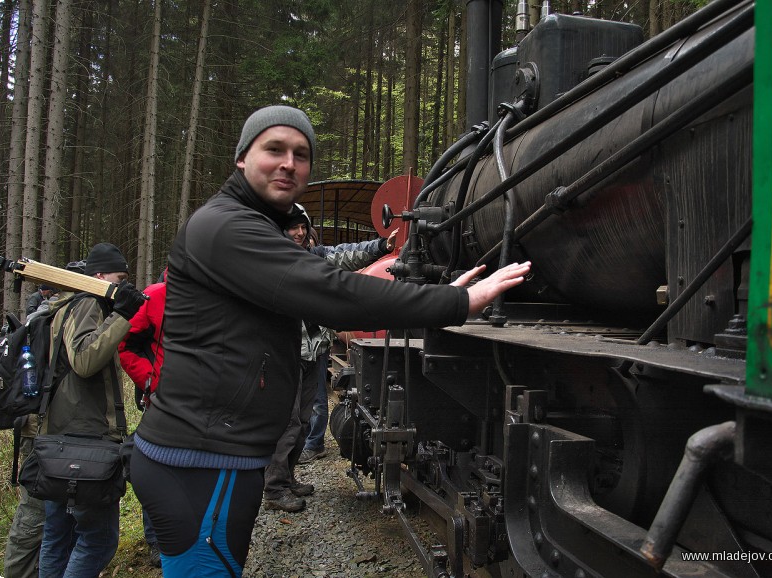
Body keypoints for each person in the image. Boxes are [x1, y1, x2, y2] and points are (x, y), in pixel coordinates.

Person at [128, 104, 529, 578]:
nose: (288, 163)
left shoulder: (249, 223)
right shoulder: (227, 227)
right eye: (273, 149)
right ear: (241, 158)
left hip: (211, 455)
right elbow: (333, 293)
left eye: (301, 154)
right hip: (202, 461)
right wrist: (456, 303)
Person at [263, 206, 397, 512]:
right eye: (291, 228)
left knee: (304, 419)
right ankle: (274, 489)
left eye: (302, 228)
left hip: (315, 352)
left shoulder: (317, 257)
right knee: (287, 421)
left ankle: (288, 477)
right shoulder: (271, 261)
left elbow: (348, 254)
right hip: (286, 355)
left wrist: (381, 246)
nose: (298, 233)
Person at [37, 243, 147, 578]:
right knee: (98, 540)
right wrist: (122, 314)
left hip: (61, 438)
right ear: (99, 276)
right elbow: (84, 361)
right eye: (120, 276)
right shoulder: (87, 303)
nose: (125, 284)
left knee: (58, 536)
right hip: (84, 443)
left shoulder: (68, 303)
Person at [3, 260, 90, 578]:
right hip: (40, 429)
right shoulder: (53, 318)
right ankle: (19, 573)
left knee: (50, 514)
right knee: (35, 511)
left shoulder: (50, 313)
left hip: (46, 427)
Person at [117, 271, 167, 568]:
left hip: (206, 404)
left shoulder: (219, 293)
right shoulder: (156, 295)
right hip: (162, 401)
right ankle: (156, 539)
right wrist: (151, 381)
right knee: (155, 467)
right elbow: (126, 345)